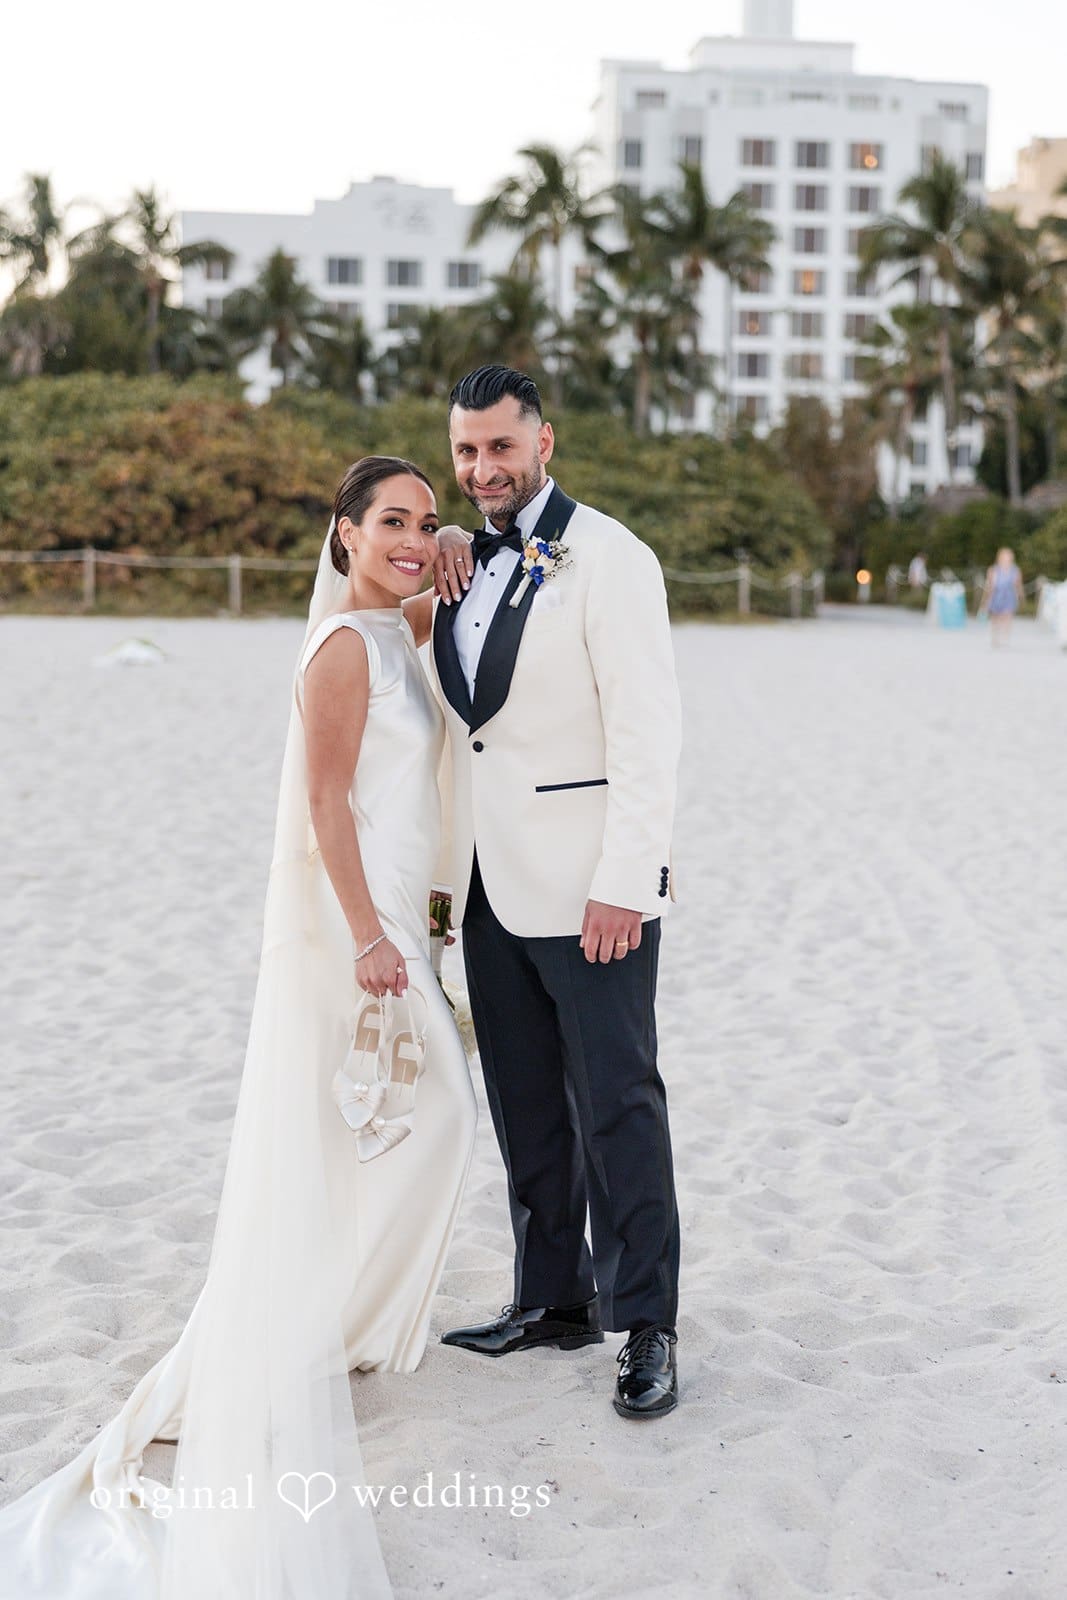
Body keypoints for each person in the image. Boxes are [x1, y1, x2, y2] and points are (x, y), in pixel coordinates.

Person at [0, 457, 477, 1598]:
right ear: (342, 532)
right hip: (350, 930)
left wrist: (454, 544)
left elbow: (432, 592)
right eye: (391, 522)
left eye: (422, 519)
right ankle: (294, 1334)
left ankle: (336, 1322)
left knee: (419, 1125)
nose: (410, 537)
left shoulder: (390, 627)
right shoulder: (339, 649)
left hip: (398, 917)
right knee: (428, 1116)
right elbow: (323, 806)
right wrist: (370, 935)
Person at [429, 365, 683, 1420]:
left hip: (591, 890)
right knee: (525, 1102)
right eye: (466, 451)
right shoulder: (459, 562)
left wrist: (625, 882)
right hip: (488, 883)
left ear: (545, 442)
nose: (483, 468)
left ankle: (647, 1325)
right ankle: (553, 1299)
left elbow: (646, 734)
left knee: (616, 1103)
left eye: (500, 447)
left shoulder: (612, 559)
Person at [980, 546, 1024, 647]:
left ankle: (1005, 636)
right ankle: (995, 636)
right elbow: (990, 586)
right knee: (995, 617)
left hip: (1009, 596)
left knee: (1007, 616)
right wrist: (986, 600)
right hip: (996, 595)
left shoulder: (1015, 570)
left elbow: (1018, 585)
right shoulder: (993, 570)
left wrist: (1021, 597)